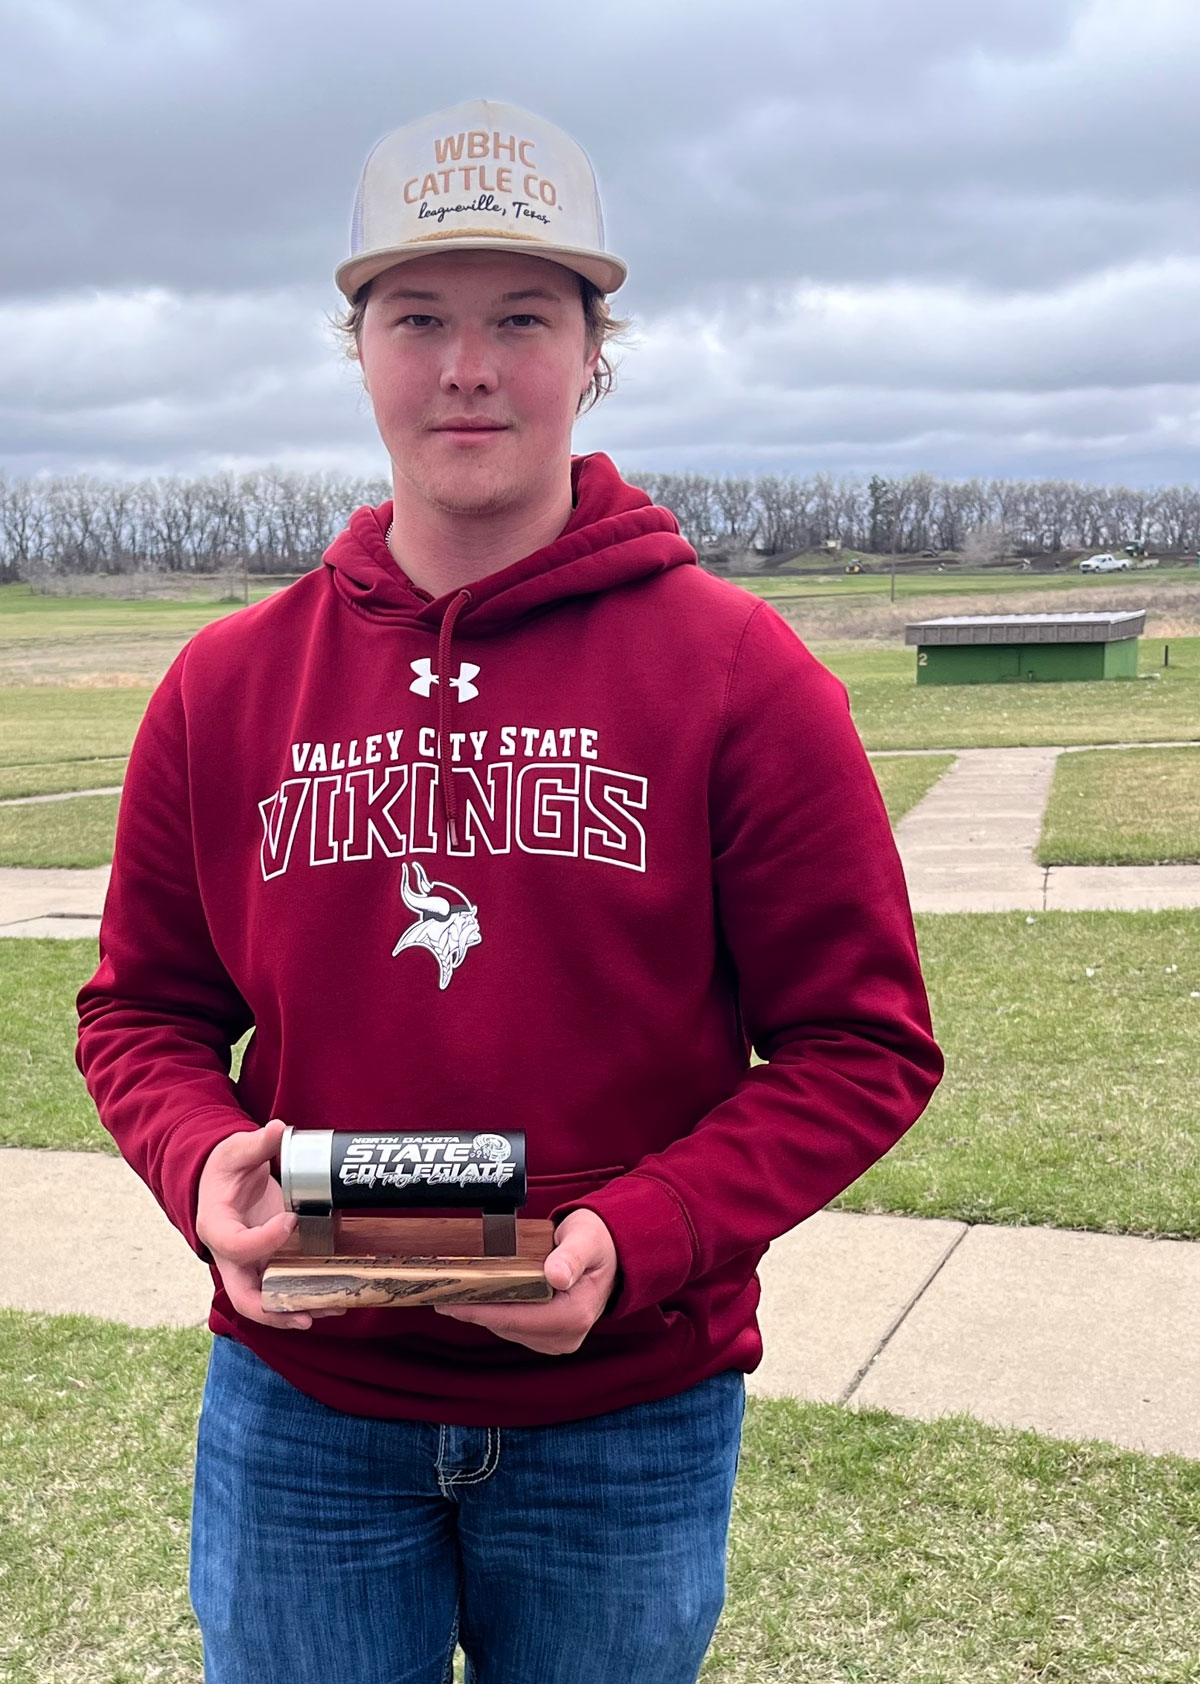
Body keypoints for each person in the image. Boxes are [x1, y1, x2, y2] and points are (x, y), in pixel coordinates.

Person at [76, 96, 942, 1684]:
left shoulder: (742, 677)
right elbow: (142, 1009)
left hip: (628, 1418)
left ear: (595, 349)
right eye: (419, 317)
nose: (467, 366)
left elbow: (863, 1047)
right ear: (358, 345)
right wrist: (202, 1163)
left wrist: (645, 1229)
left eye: (521, 318)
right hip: (304, 1415)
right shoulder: (226, 685)